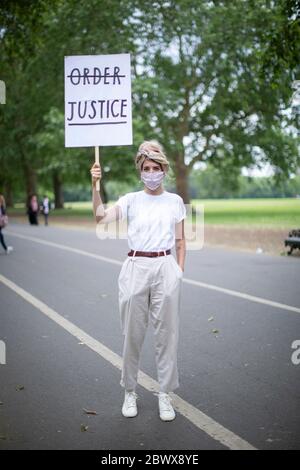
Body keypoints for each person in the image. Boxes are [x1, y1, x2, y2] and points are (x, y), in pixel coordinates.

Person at [90, 140, 186, 422]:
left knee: (166, 335)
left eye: (156, 168)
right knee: (132, 333)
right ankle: (129, 390)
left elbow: (181, 242)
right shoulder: (130, 199)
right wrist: (95, 186)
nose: (152, 172)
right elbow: (100, 218)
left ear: (164, 169)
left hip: (165, 266)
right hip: (135, 266)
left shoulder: (175, 202)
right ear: (140, 169)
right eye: (146, 168)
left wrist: (178, 272)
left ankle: (165, 394)